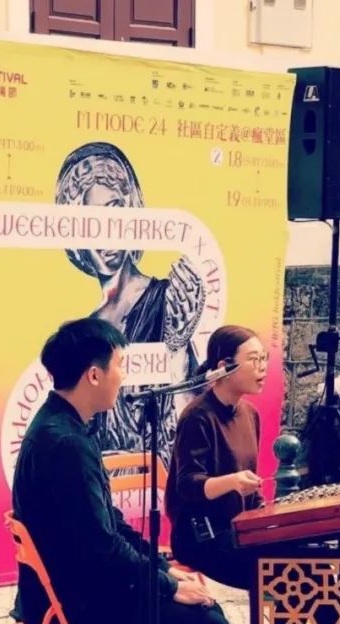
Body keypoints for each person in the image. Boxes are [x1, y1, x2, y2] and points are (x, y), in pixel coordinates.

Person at [12, 318, 313, 624]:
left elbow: (109, 526)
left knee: (206, 613)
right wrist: (168, 586)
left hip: (83, 586)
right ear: (93, 374)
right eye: (120, 366)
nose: (123, 377)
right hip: (72, 604)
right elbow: (101, 549)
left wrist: (163, 566)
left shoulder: (67, 428)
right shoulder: (64, 444)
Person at [55, 141, 206, 464]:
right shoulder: (87, 330)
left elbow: (190, 425)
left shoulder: (167, 300)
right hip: (104, 481)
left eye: (115, 212)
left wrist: (178, 348)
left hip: (157, 478)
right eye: (92, 222)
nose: (107, 235)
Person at [166, 325, 268, 589]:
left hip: (238, 530)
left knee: (306, 561)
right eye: (254, 359)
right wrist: (232, 482)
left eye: (264, 358)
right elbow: (187, 485)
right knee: (282, 569)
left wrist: (268, 517)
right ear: (224, 366)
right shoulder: (197, 417)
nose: (262, 367)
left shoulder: (250, 414)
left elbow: (253, 487)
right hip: (201, 537)